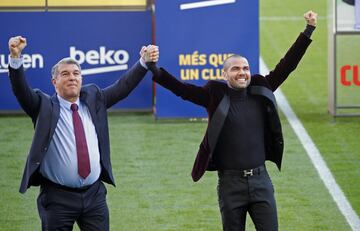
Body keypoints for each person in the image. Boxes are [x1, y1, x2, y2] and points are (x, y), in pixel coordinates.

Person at [148, 10, 317, 231]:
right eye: (236, 69)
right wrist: (152, 67)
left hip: (261, 182)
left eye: (245, 68)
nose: (242, 73)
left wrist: (308, 30)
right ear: (225, 74)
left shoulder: (261, 89)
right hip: (230, 185)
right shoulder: (214, 95)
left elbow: (287, 65)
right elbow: (182, 90)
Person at [8, 36, 159, 230]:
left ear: (81, 78)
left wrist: (143, 62)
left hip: (94, 196)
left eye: (76, 73)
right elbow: (21, 90)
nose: (72, 77)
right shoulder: (43, 106)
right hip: (57, 199)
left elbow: (123, 86)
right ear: (54, 82)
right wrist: (15, 57)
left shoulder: (94, 99)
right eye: (65, 74)